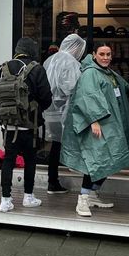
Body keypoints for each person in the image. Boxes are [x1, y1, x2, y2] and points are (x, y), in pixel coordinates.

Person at [61, 42, 129, 217]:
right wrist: (94, 121)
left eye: (108, 54)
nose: (106, 57)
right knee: (96, 161)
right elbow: (87, 96)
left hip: (110, 125)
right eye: (102, 54)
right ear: (94, 54)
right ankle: (83, 200)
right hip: (99, 126)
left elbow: (123, 87)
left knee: (109, 161)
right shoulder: (91, 73)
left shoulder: (107, 72)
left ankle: (92, 194)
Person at [0, 37, 53, 212]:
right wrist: (34, 110)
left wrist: (0, 113)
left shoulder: (2, 69)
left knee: (8, 160)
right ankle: (28, 197)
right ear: (32, 51)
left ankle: (5, 200)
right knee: (30, 160)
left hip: (9, 126)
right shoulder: (37, 69)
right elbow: (46, 98)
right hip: (30, 126)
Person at [41, 34, 87, 194]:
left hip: (50, 112)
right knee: (74, 144)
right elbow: (73, 88)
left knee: (56, 145)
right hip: (66, 111)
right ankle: (86, 186)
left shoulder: (50, 60)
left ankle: (52, 181)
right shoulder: (72, 63)